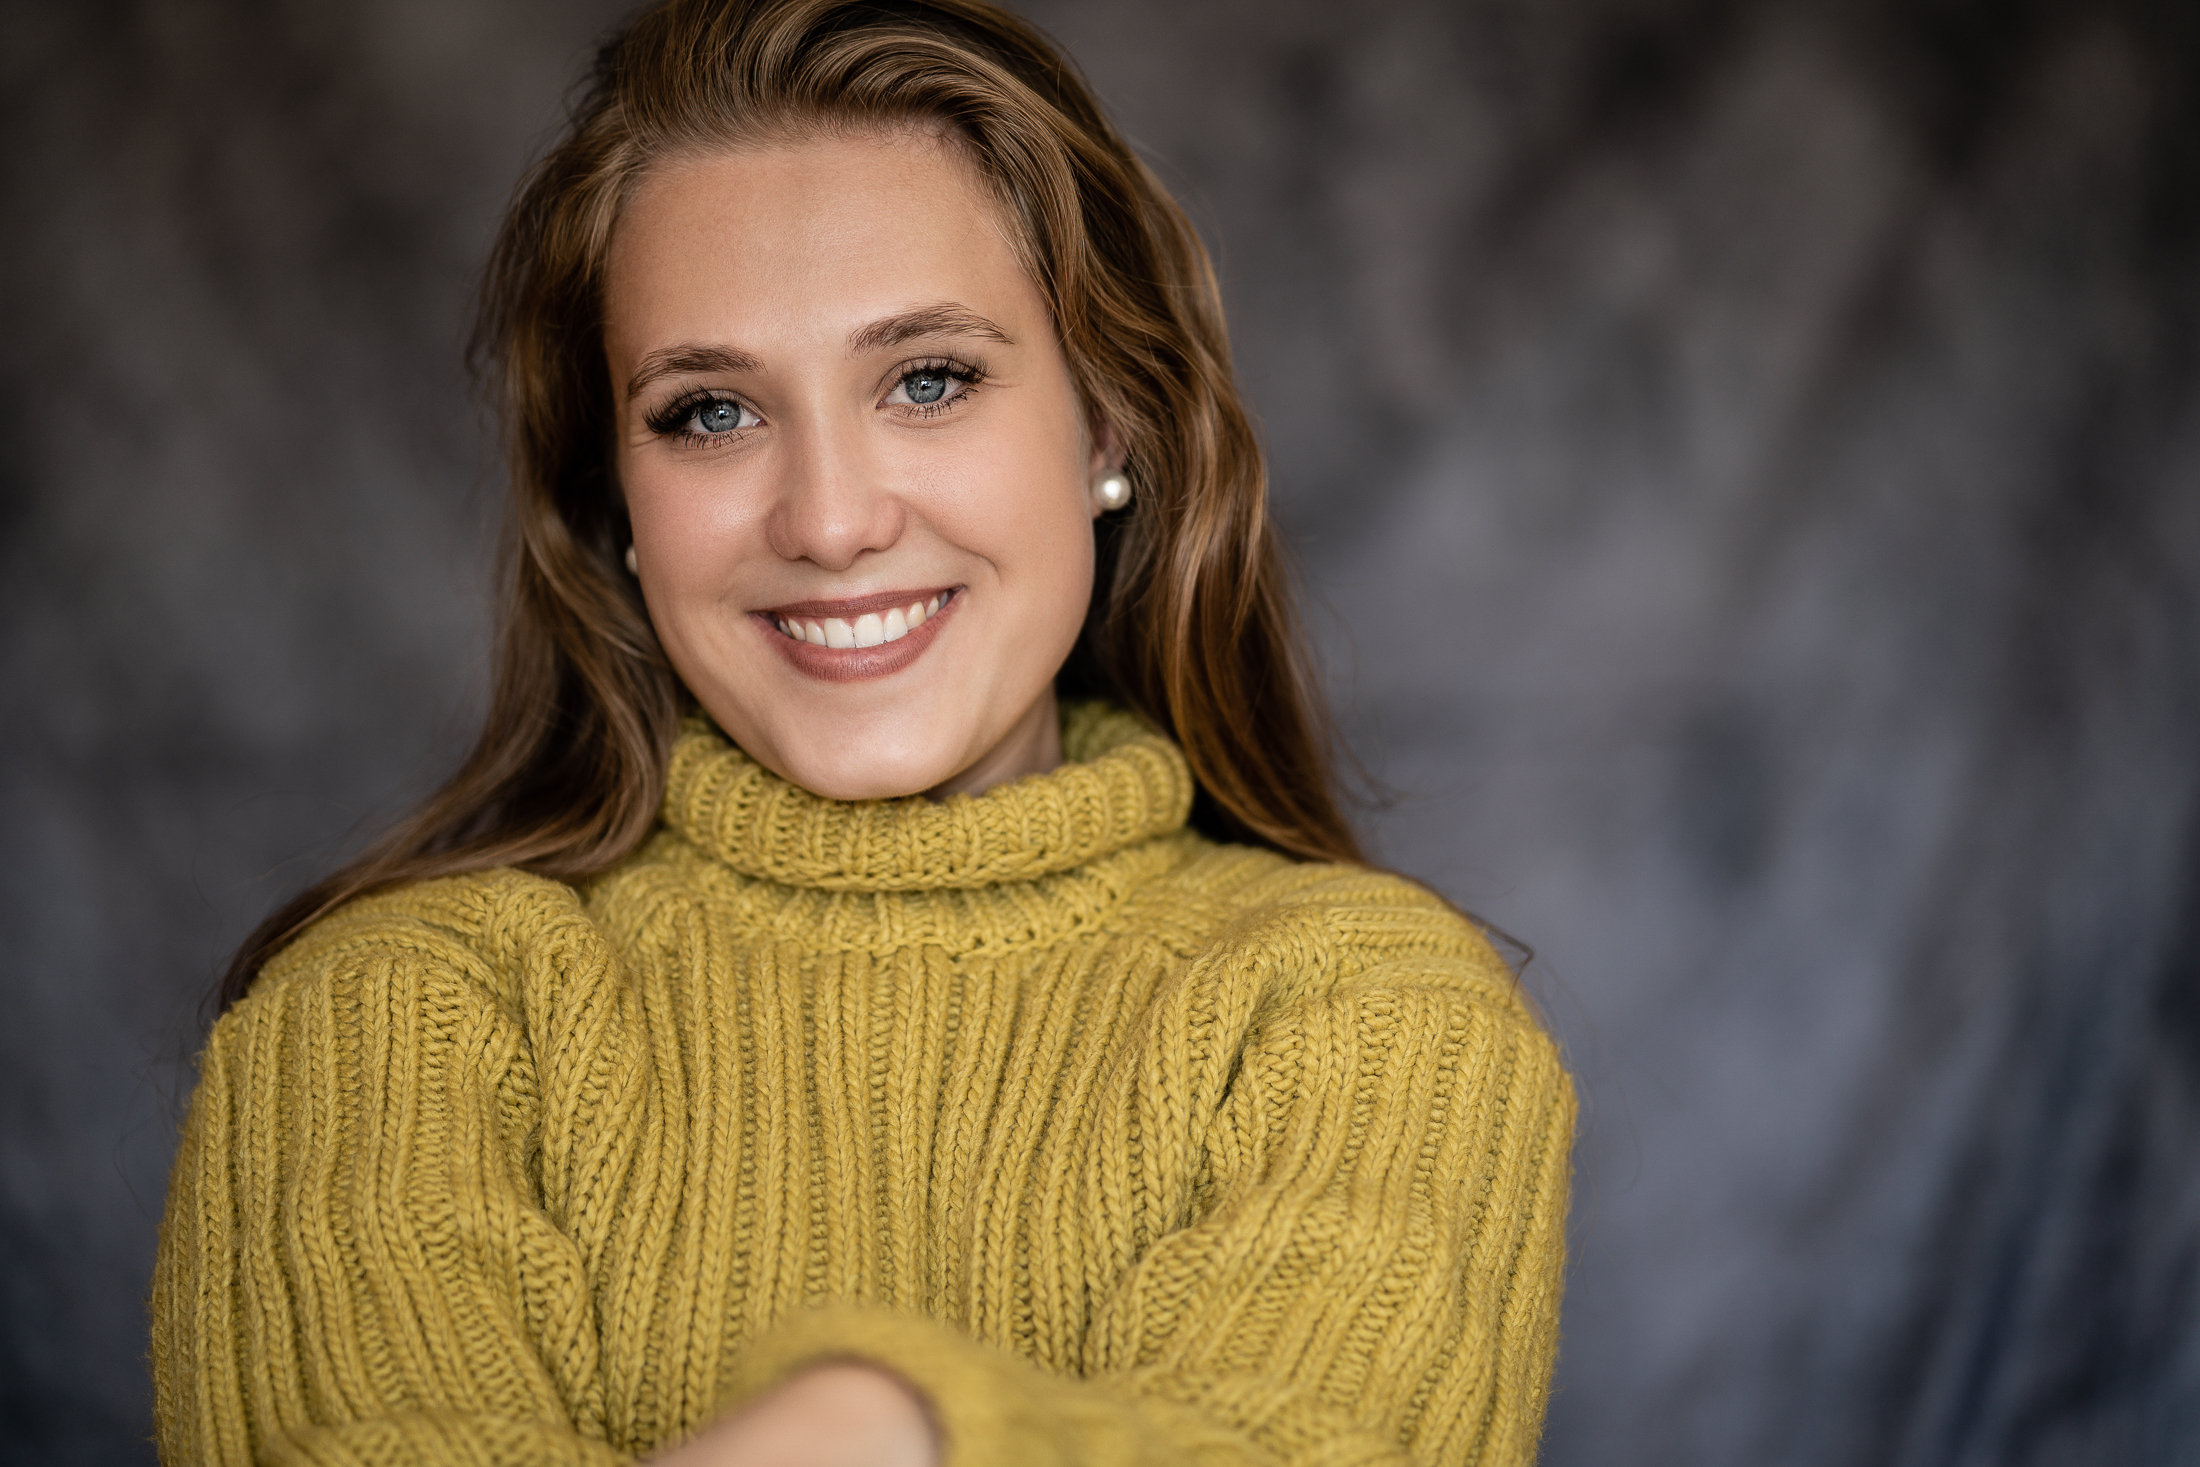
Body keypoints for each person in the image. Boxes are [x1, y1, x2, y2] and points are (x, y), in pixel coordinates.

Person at [150, 2, 1576, 1463]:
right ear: (616, 497)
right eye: (710, 413)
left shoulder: (1371, 1016)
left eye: (929, 380)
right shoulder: (383, 1020)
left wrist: (890, 1425)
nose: (829, 522)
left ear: (1108, 427)